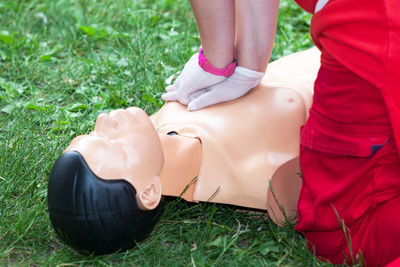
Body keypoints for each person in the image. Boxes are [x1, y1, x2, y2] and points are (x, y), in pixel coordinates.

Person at [163, 0, 400, 266]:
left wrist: (216, 59)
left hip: (375, 23)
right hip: (375, 22)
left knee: (343, 234)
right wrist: (246, 66)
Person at [47, 48, 321, 255]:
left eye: (93, 132)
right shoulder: (260, 179)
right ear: (149, 192)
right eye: (112, 144)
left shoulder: (154, 128)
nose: (104, 120)